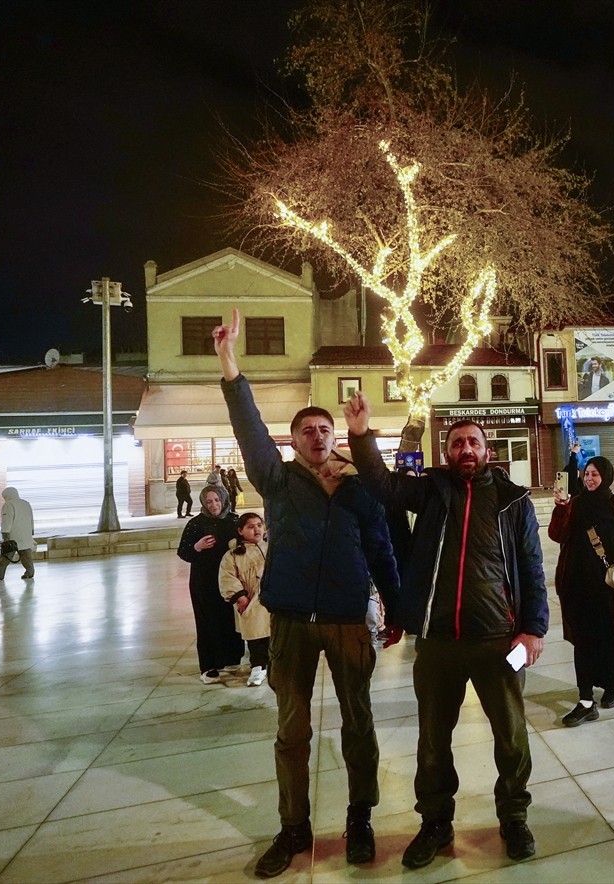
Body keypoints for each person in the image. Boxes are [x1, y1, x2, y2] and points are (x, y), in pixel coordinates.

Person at [213, 310, 402, 878]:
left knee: (358, 725)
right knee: (291, 731)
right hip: (292, 621)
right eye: (306, 431)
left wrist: (396, 606)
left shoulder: (358, 489)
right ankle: (293, 828)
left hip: (347, 620)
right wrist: (229, 362)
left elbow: (382, 549)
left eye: (325, 429)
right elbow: (248, 427)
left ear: (335, 437)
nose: (317, 437)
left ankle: (360, 818)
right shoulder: (277, 481)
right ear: (293, 442)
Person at [344, 393, 548, 870]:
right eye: (457, 444)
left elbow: (532, 568)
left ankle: (514, 818)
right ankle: (435, 822)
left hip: (497, 640)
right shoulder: (431, 489)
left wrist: (533, 629)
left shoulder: (513, 500)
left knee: (511, 737)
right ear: (447, 451)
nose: (466, 450)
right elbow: (380, 484)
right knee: (433, 741)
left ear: (487, 451)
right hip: (437, 641)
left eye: (473, 442)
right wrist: (360, 434)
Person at [548, 455, 614, 726]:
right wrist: (561, 508)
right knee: (583, 643)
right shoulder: (575, 505)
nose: (589, 479)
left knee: (610, 640)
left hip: (608, 589)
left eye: (594, 474)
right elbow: (557, 534)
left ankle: (612, 688)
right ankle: (586, 698)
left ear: (606, 477)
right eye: (586, 474)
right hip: (578, 586)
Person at [177, 483, 242, 684]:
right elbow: (183, 552)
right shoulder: (196, 524)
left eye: (216, 500)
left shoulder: (233, 520)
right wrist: (197, 546)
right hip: (204, 581)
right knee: (207, 621)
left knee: (230, 620)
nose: (213, 505)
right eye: (208, 501)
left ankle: (232, 658)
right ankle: (209, 665)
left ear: (223, 500)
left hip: (230, 580)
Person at [219, 512, 272, 687]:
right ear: (240, 531)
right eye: (251, 527)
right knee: (256, 636)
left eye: (259, 525)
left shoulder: (270, 548)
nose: (256, 529)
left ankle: (275, 665)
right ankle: (258, 666)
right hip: (251, 601)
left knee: (275, 634)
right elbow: (227, 577)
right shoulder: (233, 554)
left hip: (273, 600)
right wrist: (240, 597)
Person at [0, 487, 34, 580]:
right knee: (26, 555)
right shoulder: (26, 503)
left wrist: (5, 533)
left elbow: (7, 520)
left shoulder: (8, 504)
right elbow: (31, 518)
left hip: (13, 535)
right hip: (26, 533)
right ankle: (30, 572)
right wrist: (32, 530)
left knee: (6, 555)